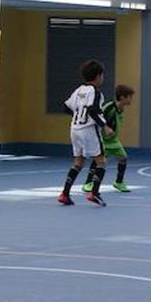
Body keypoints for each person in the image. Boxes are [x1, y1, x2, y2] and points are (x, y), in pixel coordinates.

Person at [57, 60, 113, 207]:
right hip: (89, 130)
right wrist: (105, 126)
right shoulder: (95, 92)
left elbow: (66, 107)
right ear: (98, 76)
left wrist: (78, 117)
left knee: (78, 162)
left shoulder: (79, 90)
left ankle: (65, 193)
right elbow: (93, 110)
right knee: (101, 161)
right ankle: (94, 192)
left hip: (75, 129)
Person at [82, 84, 136, 193]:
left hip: (113, 139)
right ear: (122, 97)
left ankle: (119, 182)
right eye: (129, 97)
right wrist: (103, 130)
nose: (131, 99)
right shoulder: (109, 107)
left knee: (123, 157)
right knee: (99, 160)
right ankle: (88, 183)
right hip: (102, 138)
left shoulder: (121, 109)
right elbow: (98, 118)